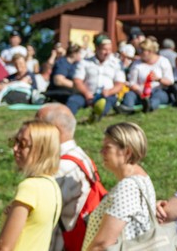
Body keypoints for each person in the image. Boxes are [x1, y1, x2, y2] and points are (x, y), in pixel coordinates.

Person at [36, 103, 101, 251]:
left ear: (55, 130)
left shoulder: (59, 168)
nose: (32, 131)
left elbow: (41, 217)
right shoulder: (80, 156)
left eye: (37, 125)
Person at [83, 122, 157, 250]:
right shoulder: (141, 178)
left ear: (127, 152)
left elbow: (103, 243)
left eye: (107, 147)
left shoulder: (128, 187)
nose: (101, 151)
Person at [0, 119, 63, 251]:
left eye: (22, 144)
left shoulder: (30, 187)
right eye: (15, 141)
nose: (15, 148)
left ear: (41, 149)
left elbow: (4, 247)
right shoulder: (52, 186)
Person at [73, 35, 125, 119]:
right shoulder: (85, 62)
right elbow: (77, 81)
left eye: (109, 49)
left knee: (104, 106)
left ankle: (94, 118)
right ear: (97, 48)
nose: (107, 52)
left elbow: (120, 84)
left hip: (107, 95)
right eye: (104, 49)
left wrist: (109, 92)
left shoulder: (116, 63)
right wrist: (86, 93)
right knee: (73, 101)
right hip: (87, 94)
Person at [119, 37, 174, 113]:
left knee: (158, 97)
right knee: (129, 95)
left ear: (150, 51)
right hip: (140, 91)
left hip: (158, 90)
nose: (140, 53)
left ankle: (149, 107)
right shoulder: (136, 64)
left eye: (142, 51)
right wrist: (140, 92)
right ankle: (127, 108)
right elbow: (132, 83)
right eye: (139, 50)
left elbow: (170, 81)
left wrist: (158, 79)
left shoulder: (163, 61)